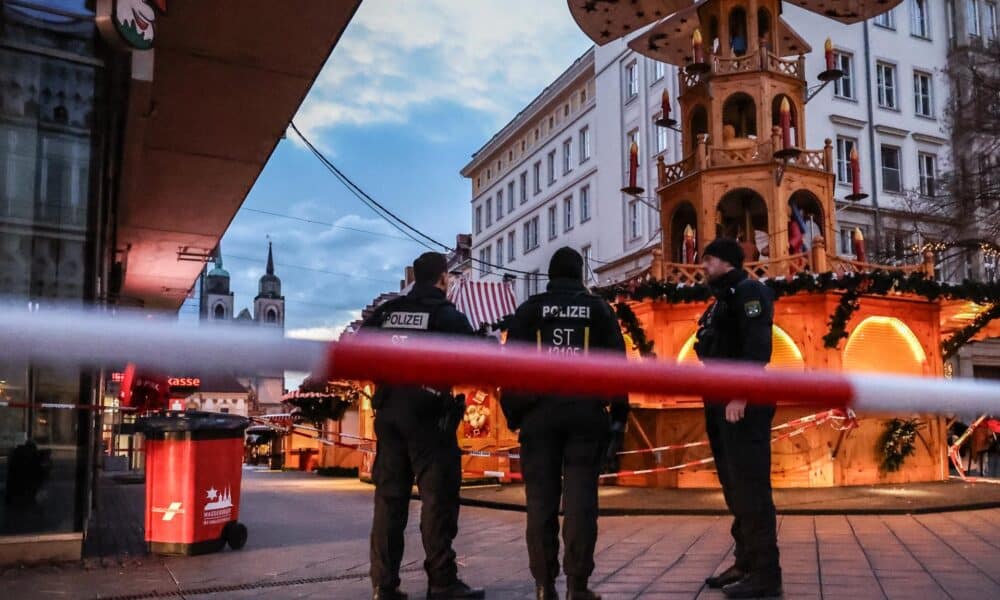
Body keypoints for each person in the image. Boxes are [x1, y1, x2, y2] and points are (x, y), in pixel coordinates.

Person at [501, 247, 629, 600]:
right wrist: (618, 419)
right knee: (581, 503)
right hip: (585, 415)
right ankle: (577, 585)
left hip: (538, 416)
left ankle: (544, 585)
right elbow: (618, 365)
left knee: (540, 503)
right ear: (579, 273)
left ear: (550, 274)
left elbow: (509, 367)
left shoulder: (529, 311)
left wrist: (514, 414)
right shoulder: (598, 310)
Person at [361, 252, 485, 600]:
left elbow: (357, 349)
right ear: (443, 279)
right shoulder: (448, 317)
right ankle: (442, 582)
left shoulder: (386, 313)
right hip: (430, 417)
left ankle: (384, 586)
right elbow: (474, 364)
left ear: (415, 277)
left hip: (389, 413)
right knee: (438, 500)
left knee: (389, 501)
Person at [694, 237, 781, 598]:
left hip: (742, 404)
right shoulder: (720, 302)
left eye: (709, 260)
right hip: (719, 403)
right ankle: (745, 561)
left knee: (751, 489)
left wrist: (740, 393)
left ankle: (765, 573)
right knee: (735, 490)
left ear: (727, 262)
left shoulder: (750, 292)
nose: (704, 267)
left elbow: (757, 346)